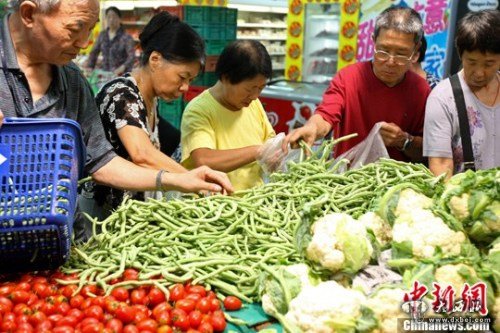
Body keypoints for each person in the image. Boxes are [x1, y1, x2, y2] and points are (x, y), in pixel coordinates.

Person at [0, 0, 233, 239]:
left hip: (61, 239)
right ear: (29, 14)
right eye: (75, 29)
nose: (84, 43)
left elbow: (102, 162)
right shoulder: (121, 93)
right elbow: (141, 153)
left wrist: (178, 180)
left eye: (91, 30)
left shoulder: (73, 81)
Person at [283, 6, 431, 163]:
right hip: (347, 181)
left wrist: (404, 140)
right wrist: (312, 128)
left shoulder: (422, 90)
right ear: (373, 41)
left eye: (401, 54)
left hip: (397, 183)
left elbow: (429, 151)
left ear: (416, 51)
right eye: (383, 50)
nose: (391, 61)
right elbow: (326, 114)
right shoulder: (348, 78)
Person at [92, 12, 202, 211]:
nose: (185, 87)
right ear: (155, 59)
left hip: (128, 218)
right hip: (102, 219)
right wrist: (190, 179)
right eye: (182, 77)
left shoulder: (150, 98)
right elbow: (142, 153)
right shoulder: (122, 94)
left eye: (190, 80)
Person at [181, 40, 278, 191]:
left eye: (260, 88)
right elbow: (204, 160)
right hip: (215, 205)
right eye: (249, 89)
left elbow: (270, 142)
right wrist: (258, 151)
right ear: (226, 78)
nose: (255, 95)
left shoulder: (254, 104)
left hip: (254, 201)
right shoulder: (199, 110)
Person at [423, 9, 500, 178]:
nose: (479, 73)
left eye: (489, 64)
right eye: (472, 62)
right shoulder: (442, 98)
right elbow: (441, 166)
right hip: (466, 200)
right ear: (460, 55)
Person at [86, 6, 135, 76]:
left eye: (114, 17)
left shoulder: (126, 37)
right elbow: (94, 52)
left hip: (121, 75)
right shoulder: (102, 35)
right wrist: (90, 67)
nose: (111, 19)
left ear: (120, 19)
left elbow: (131, 57)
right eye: (108, 17)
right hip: (105, 74)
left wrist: (122, 68)